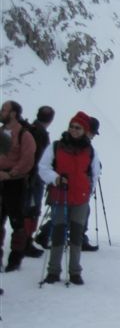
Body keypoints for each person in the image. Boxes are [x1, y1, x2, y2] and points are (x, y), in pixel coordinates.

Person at [37, 111, 97, 285]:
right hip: (60, 195)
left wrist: (88, 190)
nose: (74, 130)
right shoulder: (57, 146)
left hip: (80, 198)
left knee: (77, 236)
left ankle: (75, 271)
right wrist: (55, 178)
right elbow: (43, 167)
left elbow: (94, 173)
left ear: (84, 130)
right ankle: (53, 271)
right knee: (58, 233)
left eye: (78, 128)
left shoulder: (90, 151)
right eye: (72, 126)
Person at [0, 100, 37, 272]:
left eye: (4, 110)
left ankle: (15, 259)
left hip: (15, 182)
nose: (1, 112)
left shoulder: (24, 135)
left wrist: (11, 173)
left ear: (13, 113)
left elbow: (27, 159)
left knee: (17, 221)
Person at [21, 105, 54, 259]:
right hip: (34, 178)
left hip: (25, 177)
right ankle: (25, 243)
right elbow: (40, 159)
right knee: (32, 211)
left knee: (26, 209)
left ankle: (23, 241)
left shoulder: (29, 129)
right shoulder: (40, 134)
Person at [79, 116, 103, 252]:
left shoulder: (78, 144)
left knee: (67, 211)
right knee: (82, 211)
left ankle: (46, 233)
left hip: (78, 185)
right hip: (81, 185)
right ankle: (80, 238)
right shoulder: (85, 147)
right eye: (93, 133)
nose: (93, 136)